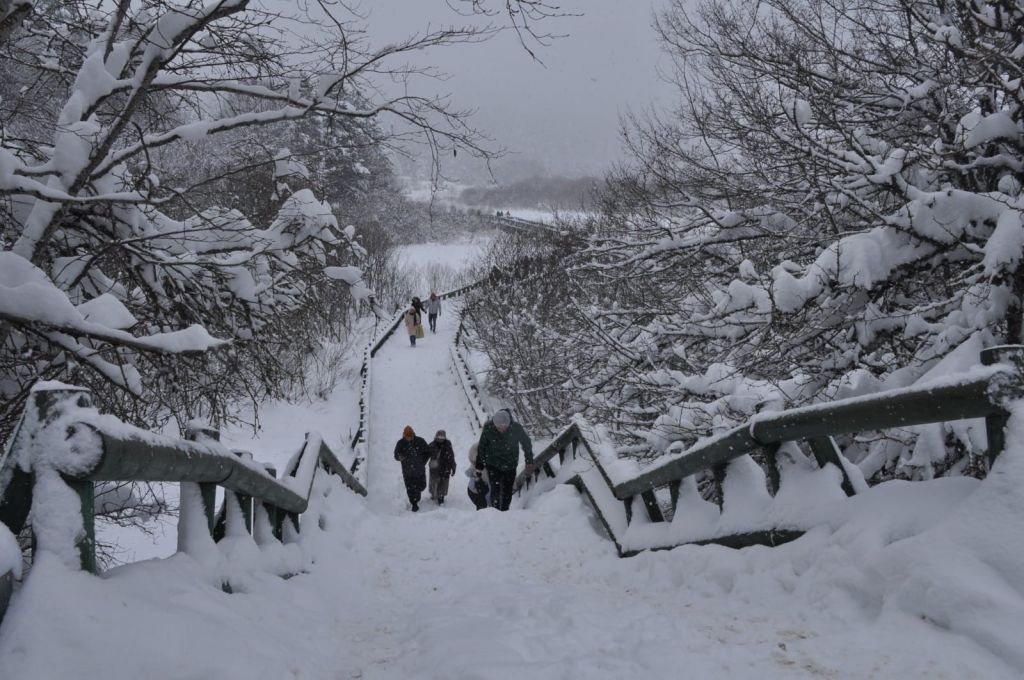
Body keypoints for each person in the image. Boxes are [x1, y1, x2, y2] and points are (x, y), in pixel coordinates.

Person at [474, 409, 534, 511]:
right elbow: (482, 447)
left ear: (508, 423)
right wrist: (479, 466)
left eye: (504, 427)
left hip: (510, 464)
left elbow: (526, 443)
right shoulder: (489, 428)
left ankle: (505, 511)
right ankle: (495, 511)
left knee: (507, 490)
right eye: (498, 427)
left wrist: (529, 460)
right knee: (495, 490)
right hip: (493, 464)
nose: (501, 429)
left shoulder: (516, 428)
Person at [394, 425, 430, 511]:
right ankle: (414, 504)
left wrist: (422, 462)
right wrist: (399, 457)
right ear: (404, 435)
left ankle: (417, 494)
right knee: (410, 489)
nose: (409, 438)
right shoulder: (400, 443)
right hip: (407, 471)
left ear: (413, 434)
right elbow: (396, 455)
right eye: (407, 437)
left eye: (410, 436)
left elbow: (428, 452)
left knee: (422, 486)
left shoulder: (420, 441)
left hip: (419, 470)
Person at [427, 429, 456, 505]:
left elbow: (451, 456)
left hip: (445, 468)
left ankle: (441, 497)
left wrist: (453, 466)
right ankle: (433, 494)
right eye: (439, 437)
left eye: (442, 438)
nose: (440, 439)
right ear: (436, 437)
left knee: (444, 484)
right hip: (435, 468)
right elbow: (425, 455)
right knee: (433, 483)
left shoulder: (448, 444)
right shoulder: (432, 445)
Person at [466, 442, 489, 510]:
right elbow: (472, 458)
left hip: (480, 488)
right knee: (482, 508)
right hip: (477, 489)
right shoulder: (477, 447)